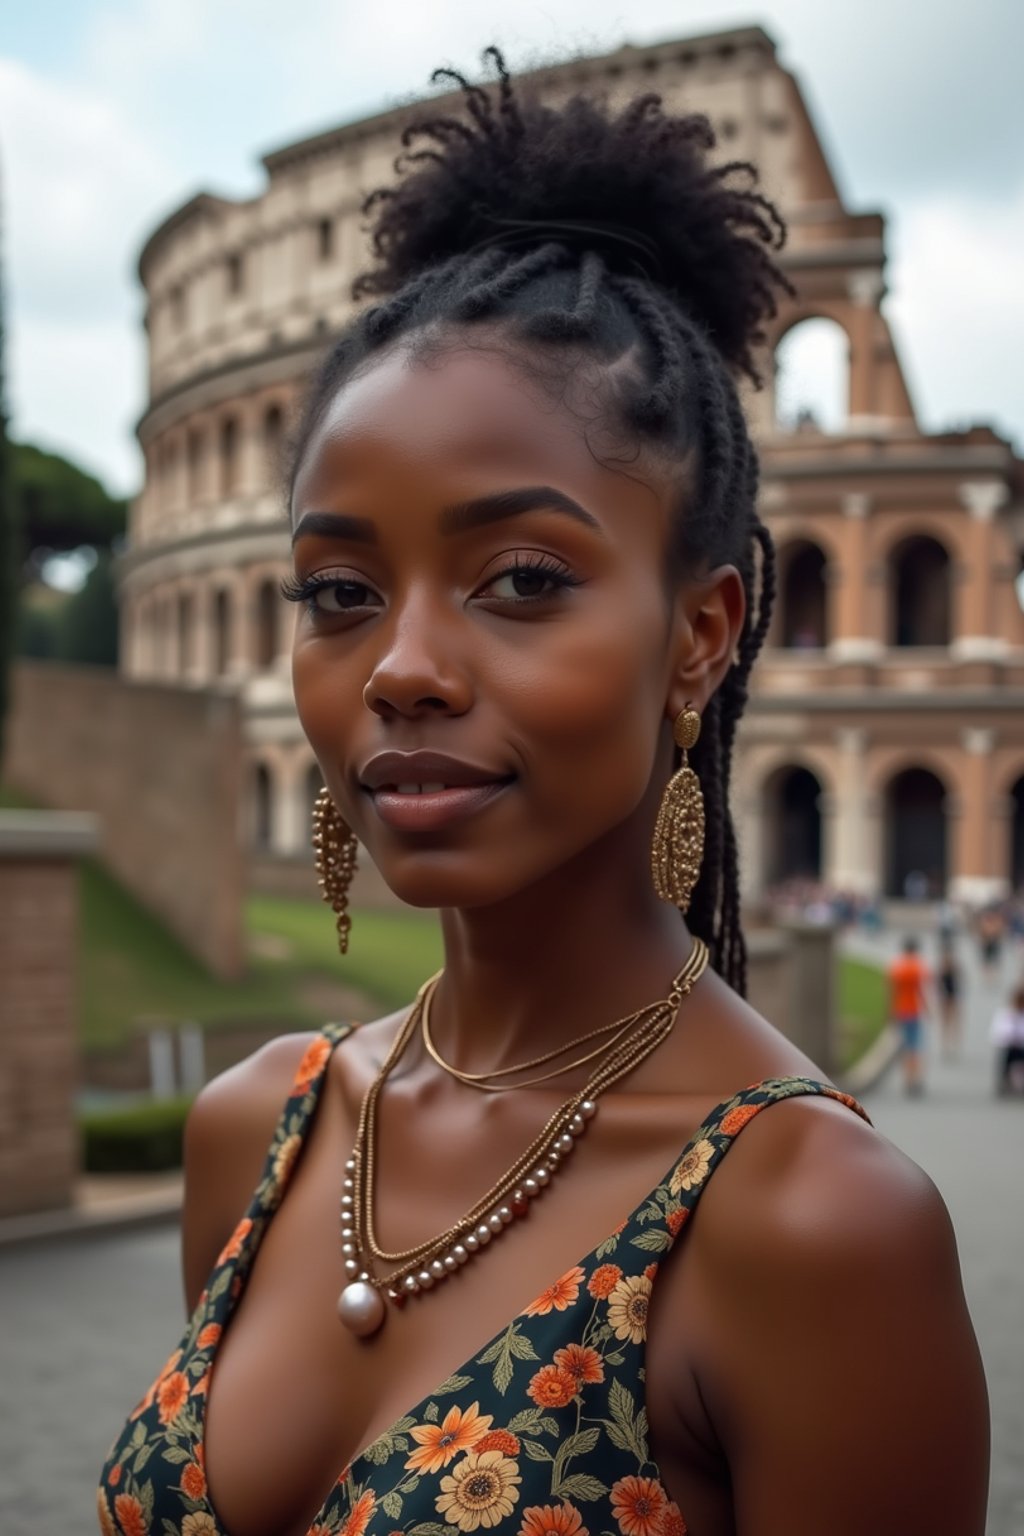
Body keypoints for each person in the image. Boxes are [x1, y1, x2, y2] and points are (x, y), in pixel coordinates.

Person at [99, 54, 988, 1536]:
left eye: (522, 579)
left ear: (699, 633)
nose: (403, 667)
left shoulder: (817, 1227)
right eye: (339, 590)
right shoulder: (256, 1130)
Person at [888, 937, 931, 1096]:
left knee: (905, 1047)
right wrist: (927, 1009)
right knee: (915, 1047)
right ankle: (914, 1079)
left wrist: (890, 1012)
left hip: (901, 1010)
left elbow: (892, 992)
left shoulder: (897, 967)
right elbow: (920, 990)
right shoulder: (918, 967)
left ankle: (907, 1079)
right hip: (914, 1011)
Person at [991, 984, 1024, 1095]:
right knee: (1006, 1055)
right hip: (1011, 1047)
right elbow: (998, 1034)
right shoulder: (1007, 1014)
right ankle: (1004, 1081)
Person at [936, 936, 963, 1060]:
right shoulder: (942, 968)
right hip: (946, 996)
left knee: (953, 1020)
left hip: (952, 996)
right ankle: (946, 1044)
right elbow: (938, 983)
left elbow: (960, 981)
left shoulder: (954, 967)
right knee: (946, 1021)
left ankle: (952, 1043)